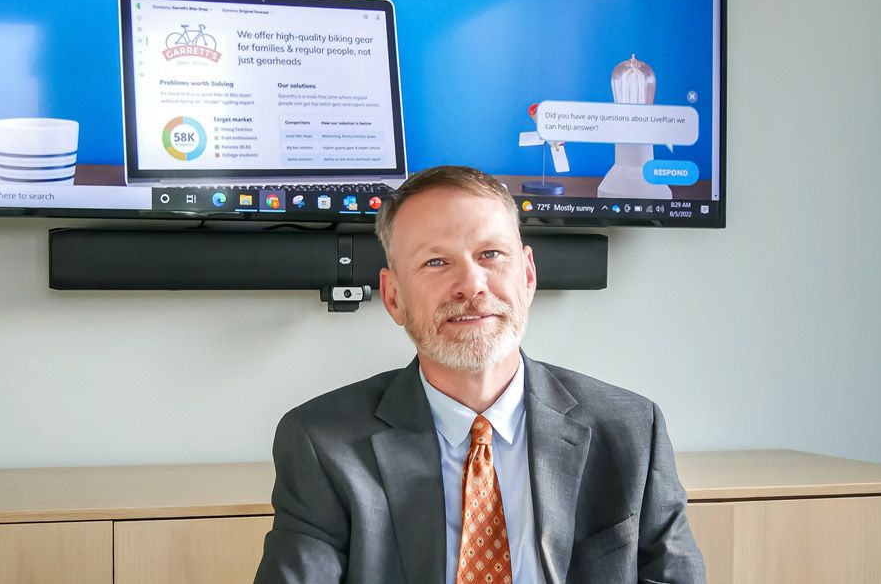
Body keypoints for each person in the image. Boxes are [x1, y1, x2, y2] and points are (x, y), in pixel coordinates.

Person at [254, 166, 705, 584]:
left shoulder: (629, 428)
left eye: (490, 254)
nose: (471, 285)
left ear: (527, 276)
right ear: (393, 297)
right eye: (436, 262)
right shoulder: (321, 442)